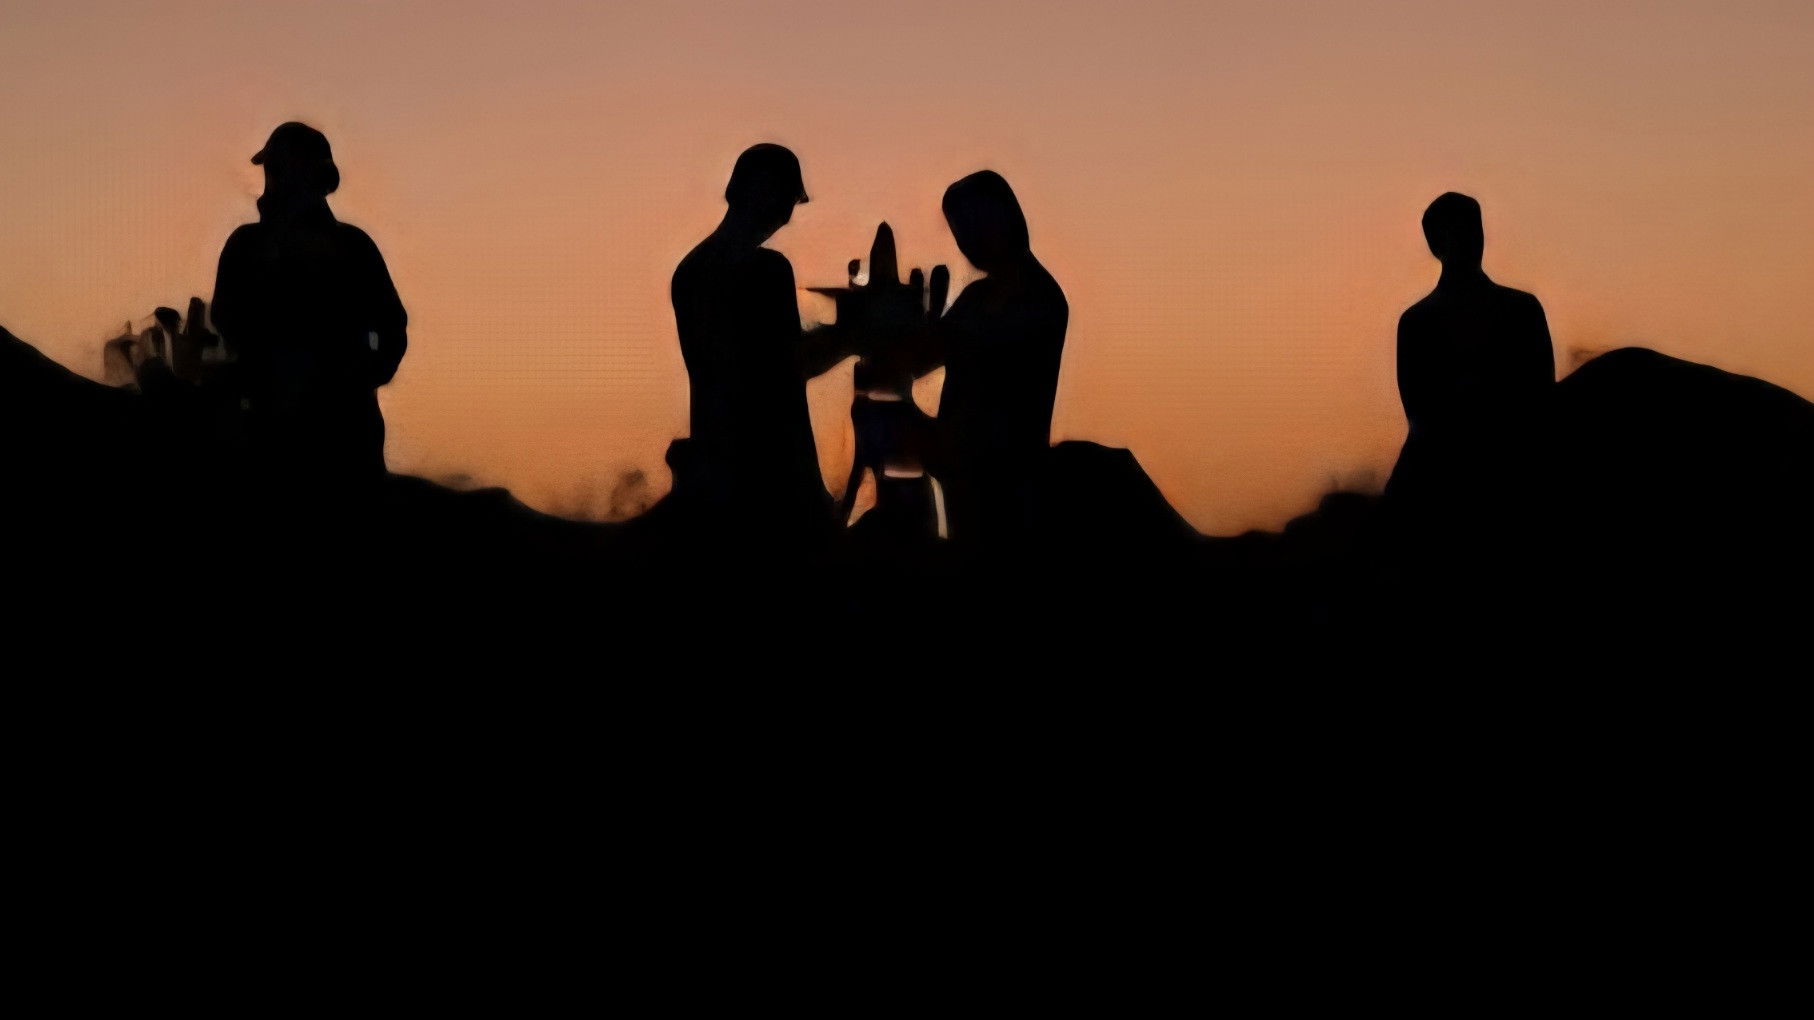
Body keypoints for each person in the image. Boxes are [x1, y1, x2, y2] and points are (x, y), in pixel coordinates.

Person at [210, 122, 408, 489]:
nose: (271, 179)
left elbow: (393, 326)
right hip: (278, 427)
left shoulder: (349, 247)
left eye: (277, 169)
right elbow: (225, 321)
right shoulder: (251, 244)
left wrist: (360, 376)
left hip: (333, 435)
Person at [670, 143, 850, 540]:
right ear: (752, 191)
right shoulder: (766, 271)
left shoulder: (690, 270)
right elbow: (785, 366)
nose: (785, 215)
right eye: (785, 198)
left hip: (716, 469)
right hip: (771, 480)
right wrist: (851, 333)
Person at [898, 171, 1068, 548]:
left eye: (975, 226)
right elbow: (923, 357)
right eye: (960, 232)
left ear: (1006, 219)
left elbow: (969, 349)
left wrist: (932, 328)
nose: (967, 242)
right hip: (963, 467)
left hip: (1008, 470)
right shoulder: (978, 297)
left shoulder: (1040, 299)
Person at [1386, 192, 1554, 510]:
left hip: (1513, 458)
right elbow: (1420, 413)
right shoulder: (1417, 321)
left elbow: (1542, 397)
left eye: (1474, 229)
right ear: (1436, 243)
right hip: (1447, 466)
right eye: (1458, 231)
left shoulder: (1523, 308)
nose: (1471, 239)